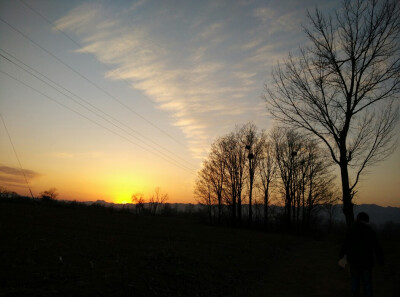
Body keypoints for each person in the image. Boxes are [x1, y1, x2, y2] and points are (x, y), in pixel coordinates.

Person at [340, 212, 384, 297]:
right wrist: (381, 260)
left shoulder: (351, 230)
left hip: (354, 262)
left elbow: (345, 245)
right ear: (366, 220)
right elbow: (377, 247)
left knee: (355, 283)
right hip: (367, 263)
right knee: (367, 285)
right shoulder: (370, 231)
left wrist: (341, 256)